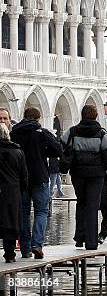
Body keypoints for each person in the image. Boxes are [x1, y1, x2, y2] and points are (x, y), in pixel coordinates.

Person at [62, 105, 107, 251]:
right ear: (96, 116)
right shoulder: (102, 134)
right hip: (96, 175)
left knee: (81, 203)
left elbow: (62, 146)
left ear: (82, 115)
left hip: (77, 173)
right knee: (92, 206)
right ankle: (91, 242)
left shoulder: (72, 131)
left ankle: (80, 238)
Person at [11, 107, 62, 259]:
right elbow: (58, 150)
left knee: (24, 213)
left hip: (21, 178)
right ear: (38, 119)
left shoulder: (14, 133)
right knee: (41, 211)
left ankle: (25, 248)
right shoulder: (42, 133)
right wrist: (44, 152)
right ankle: (37, 244)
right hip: (40, 176)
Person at [0, 123, 28, 263]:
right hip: (12, 191)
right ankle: (10, 254)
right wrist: (21, 189)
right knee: (11, 222)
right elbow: (24, 175)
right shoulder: (18, 152)